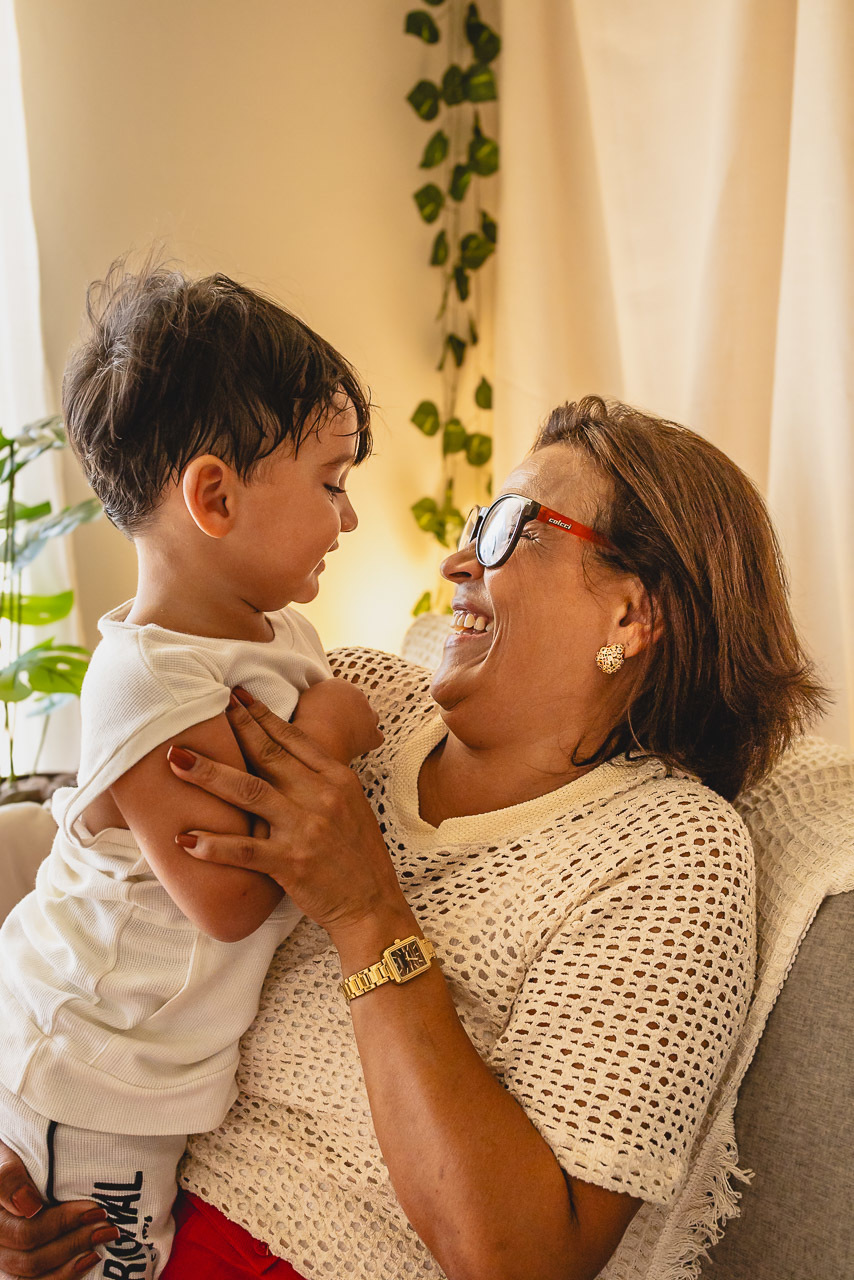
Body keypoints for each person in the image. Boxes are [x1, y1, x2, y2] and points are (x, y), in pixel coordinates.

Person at [0, 397, 825, 1280]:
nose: (457, 557)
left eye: (512, 528)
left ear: (631, 616)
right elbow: (102, 916)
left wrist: (367, 913)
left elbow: (525, 1261)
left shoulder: (670, 854)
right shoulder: (350, 696)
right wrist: (20, 1145)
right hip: (119, 1197)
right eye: (478, 521)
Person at [0, 261, 382, 1279]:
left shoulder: (271, 632)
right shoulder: (148, 681)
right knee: (112, 1265)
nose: (348, 519)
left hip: (146, 1064)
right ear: (212, 494)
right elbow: (222, 895)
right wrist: (333, 735)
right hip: (87, 1068)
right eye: (332, 482)